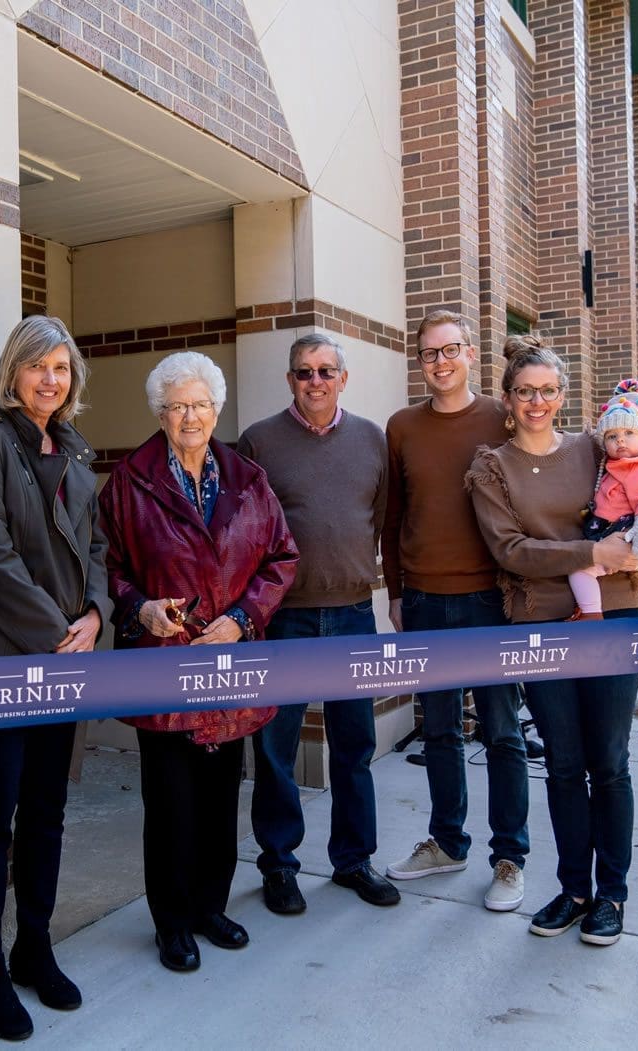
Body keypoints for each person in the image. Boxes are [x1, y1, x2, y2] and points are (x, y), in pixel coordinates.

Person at [0, 315, 109, 1040]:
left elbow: (95, 545)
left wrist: (95, 613)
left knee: (45, 810)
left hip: (64, 654)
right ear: (13, 372)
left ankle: (32, 944)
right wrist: (55, 632)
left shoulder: (74, 449)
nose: (49, 379)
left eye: (61, 368)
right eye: (38, 366)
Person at [467, 334, 638, 947]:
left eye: (548, 391)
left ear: (563, 396)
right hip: (543, 626)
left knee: (608, 762)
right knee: (561, 764)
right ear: (507, 398)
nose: (537, 401)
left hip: (612, 624)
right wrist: (593, 550)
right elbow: (511, 552)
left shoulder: (598, 447)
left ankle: (611, 893)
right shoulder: (491, 467)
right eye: (525, 391)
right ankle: (573, 889)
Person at [98, 351, 299, 973]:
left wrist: (242, 618)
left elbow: (281, 558)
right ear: (160, 413)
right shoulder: (129, 482)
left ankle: (212, 906)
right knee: (170, 804)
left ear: (218, 409)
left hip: (232, 664)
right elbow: (109, 567)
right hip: (164, 666)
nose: (191, 416)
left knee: (219, 798)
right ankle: (174, 922)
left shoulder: (247, 477)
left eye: (201, 404)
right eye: (178, 405)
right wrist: (140, 609)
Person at [238, 333, 400, 915]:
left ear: (343, 378)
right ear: (290, 381)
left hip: (354, 612)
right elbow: (244, 532)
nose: (315, 382)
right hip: (284, 618)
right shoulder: (259, 440)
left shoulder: (371, 441)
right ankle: (280, 865)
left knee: (354, 744)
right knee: (276, 746)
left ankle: (354, 860)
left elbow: (378, 519)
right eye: (303, 373)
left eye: (326, 371)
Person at [381, 309, 531, 913]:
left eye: (450, 350)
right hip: (421, 599)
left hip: (490, 600)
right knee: (438, 729)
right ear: (419, 362)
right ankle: (447, 842)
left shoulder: (502, 418)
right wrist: (394, 591)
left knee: (501, 730)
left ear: (471, 353)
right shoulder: (401, 427)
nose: (440, 363)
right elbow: (393, 519)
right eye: (428, 354)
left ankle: (509, 857)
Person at [566, 378, 638, 619]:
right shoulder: (620, 465)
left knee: (580, 570)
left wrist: (637, 549)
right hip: (624, 540)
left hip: (626, 540)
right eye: (612, 436)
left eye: (629, 433)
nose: (620, 440)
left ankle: (590, 613)